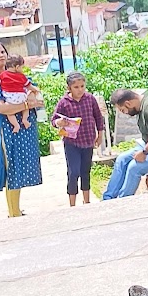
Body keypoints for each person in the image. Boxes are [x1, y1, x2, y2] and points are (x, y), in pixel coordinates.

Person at [0, 39, 43, 217]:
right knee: (12, 168)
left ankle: (16, 209)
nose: (1, 56)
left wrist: (28, 104)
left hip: (24, 126)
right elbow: (1, 108)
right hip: (5, 129)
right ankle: (13, 211)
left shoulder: (18, 75)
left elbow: (34, 97)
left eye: (2, 52)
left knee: (21, 167)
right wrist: (26, 106)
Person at [51, 71, 105, 206]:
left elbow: (98, 117)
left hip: (88, 140)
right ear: (69, 88)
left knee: (86, 171)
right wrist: (59, 123)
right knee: (73, 171)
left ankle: (86, 200)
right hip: (71, 142)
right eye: (76, 87)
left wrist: (100, 135)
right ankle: (72, 204)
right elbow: (54, 120)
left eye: (82, 86)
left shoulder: (90, 99)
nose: (80, 89)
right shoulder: (64, 103)